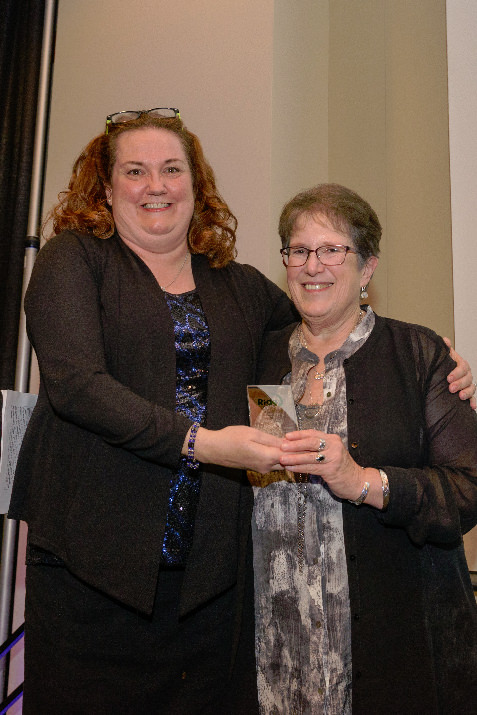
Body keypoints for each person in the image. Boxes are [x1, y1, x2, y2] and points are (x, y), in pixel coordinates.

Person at [7, 112, 473, 714]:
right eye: (135, 171)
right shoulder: (74, 260)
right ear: (104, 188)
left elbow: (325, 317)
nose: (157, 185)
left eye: (173, 169)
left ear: (196, 185)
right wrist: (202, 442)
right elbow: (75, 386)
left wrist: (439, 358)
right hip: (94, 574)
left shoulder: (238, 285)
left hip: (210, 591)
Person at [252, 183, 477, 715]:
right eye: (299, 251)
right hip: (275, 657)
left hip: (393, 652)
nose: (314, 266)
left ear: (368, 266)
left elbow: (468, 489)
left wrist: (364, 482)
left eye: (333, 250)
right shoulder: (260, 355)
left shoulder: (417, 354)